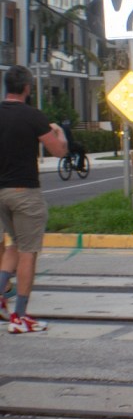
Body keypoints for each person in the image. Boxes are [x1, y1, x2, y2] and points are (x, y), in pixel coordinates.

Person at [0, 66, 67, 333]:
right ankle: (20, 317)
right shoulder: (32, 116)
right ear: (27, 88)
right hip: (24, 192)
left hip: (1, 193)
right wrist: (59, 132)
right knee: (28, 252)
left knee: (14, 246)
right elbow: (58, 151)